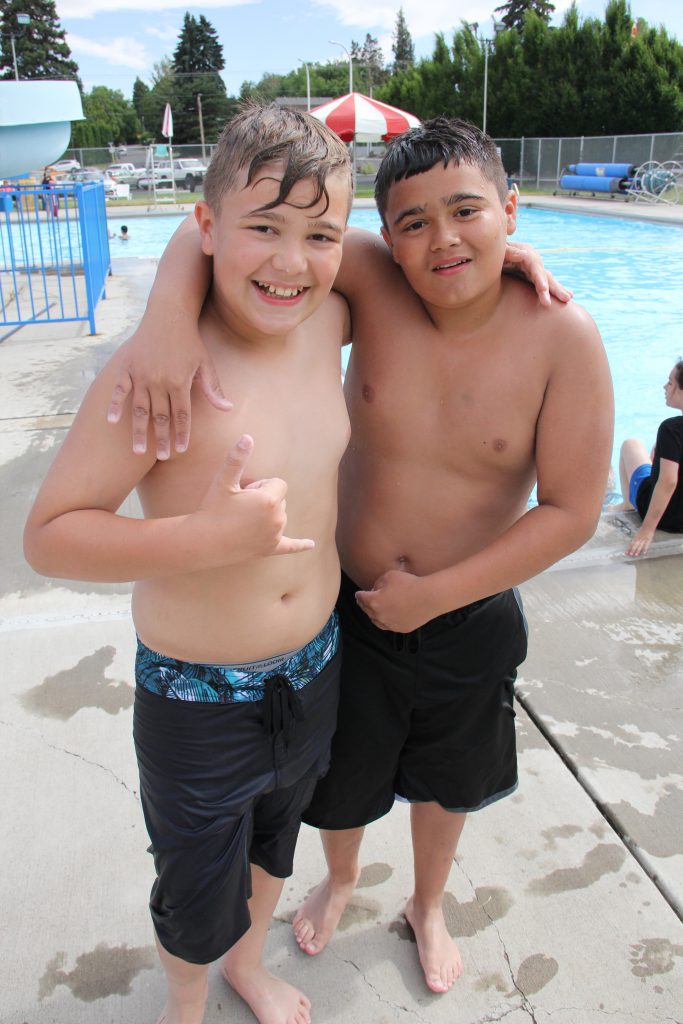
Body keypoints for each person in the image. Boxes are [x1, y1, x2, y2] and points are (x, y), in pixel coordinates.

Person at [106, 117, 613, 996]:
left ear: (511, 212)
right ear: (387, 236)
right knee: (339, 788)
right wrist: (162, 318)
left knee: (446, 785)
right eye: (413, 222)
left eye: (467, 213)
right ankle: (340, 879)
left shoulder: (562, 339)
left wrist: (440, 594)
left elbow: (569, 511)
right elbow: (238, 228)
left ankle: (426, 902)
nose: (442, 239)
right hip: (350, 610)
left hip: (467, 615)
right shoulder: (373, 281)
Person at [24, 103, 355, 1024]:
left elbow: (435, 255)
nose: (291, 261)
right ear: (207, 227)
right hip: (198, 694)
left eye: (318, 234)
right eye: (263, 229)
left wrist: (507, 257)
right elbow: (49, 533)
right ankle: (185, 1006)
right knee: (191, 878)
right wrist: (199, 542)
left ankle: (246, 966)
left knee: (270, 850)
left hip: (315, 664)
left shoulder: (328, 317)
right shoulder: (160, 371)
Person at [618, 360, 683, 556]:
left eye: (670, 382)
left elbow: (668, 481)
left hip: (668, 518)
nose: (665, 387)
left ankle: (628, 504)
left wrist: (646, 530)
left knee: (631, 445)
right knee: (656, 452)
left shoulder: (671, 429)